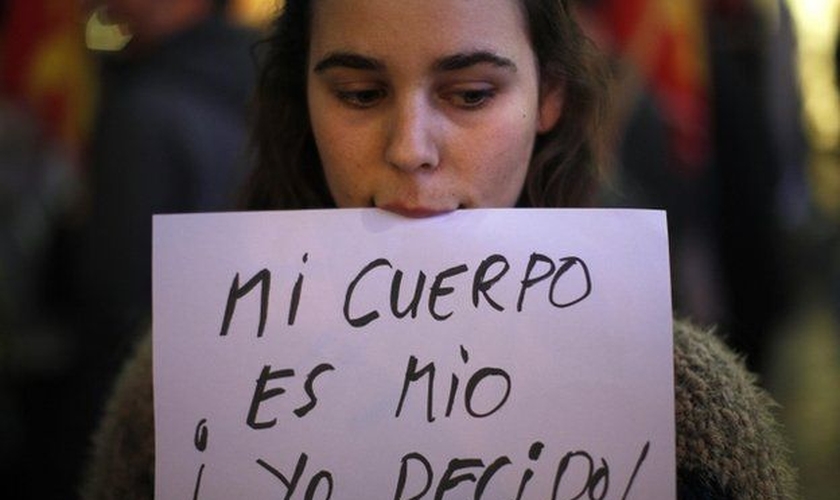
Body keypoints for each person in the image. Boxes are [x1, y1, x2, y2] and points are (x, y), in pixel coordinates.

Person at [81, 1, 799, 499]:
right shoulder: (175, 389)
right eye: (360, 94)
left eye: (470, 93)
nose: (409, 149)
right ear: (302, 96)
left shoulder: (687, 408)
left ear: (548, 95)